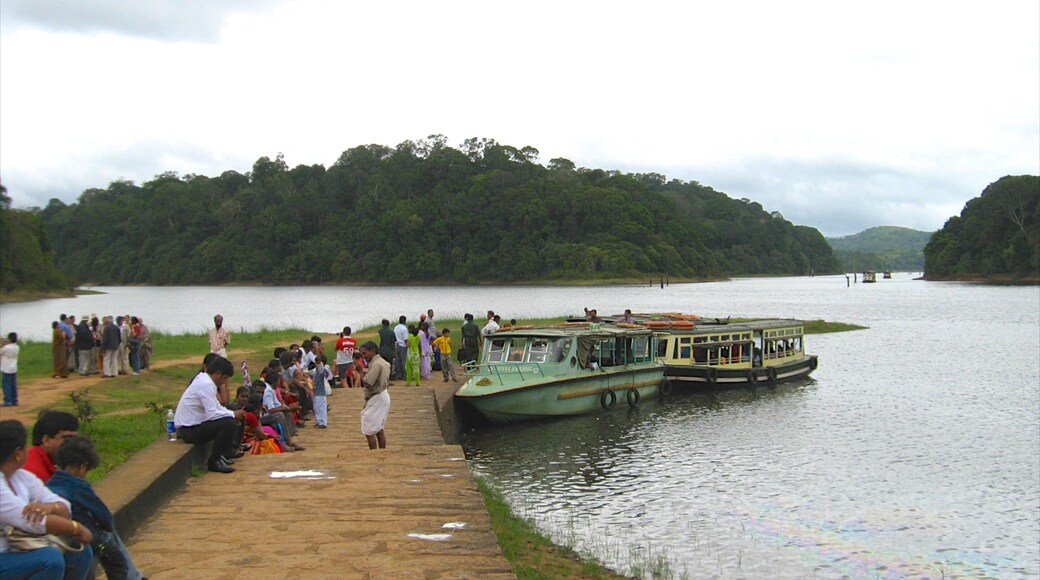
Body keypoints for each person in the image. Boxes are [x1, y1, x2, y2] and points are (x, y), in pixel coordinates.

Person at [0, 420, 95, 580]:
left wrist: (51, 507)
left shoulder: (22, 477)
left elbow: (64, 506)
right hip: (5, 553)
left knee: (80, 551)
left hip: (18, 548)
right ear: (17, 453)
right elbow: (30, 521)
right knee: (49, 560)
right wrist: (76, 528)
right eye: (25, 447)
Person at [46, 435, 144, 580]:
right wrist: (106, 529)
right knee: (116, 561)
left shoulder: (50, 484)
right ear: (82, 467)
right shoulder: (78, 486)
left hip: (60, 535)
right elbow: (103, 515)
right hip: (89, 535)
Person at [173, 356, 243, 473]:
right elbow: (212, 414)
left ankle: (223, 455)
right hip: (189, 430)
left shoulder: (205, 380)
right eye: (224, 378)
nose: (224, 382)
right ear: (218, 374)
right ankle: (214, 461)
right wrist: (232, 414)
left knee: (231, 417)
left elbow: (217, 407)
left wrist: (232, 413)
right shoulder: (206, 385)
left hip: (195, 424)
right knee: (229, 424)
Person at [22, 410, 80, 483]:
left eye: (75, 439)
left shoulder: (41, 461)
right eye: (67, 438)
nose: (73, 443)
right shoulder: (35, 473)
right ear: (46, 441)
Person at [358, 341, 390, 449]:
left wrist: (360, 372)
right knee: (379, 428)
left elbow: (368, 383)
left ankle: (373, 453)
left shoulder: (376, 364)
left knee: (369, 430)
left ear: (372, 351)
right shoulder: (383, 362)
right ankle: (382, 452)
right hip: (383, 394)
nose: (363, 357)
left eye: (365, 353)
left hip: (377, 396)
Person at [311, 355, 331, 429]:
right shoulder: (316, 371)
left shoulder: (321, 370)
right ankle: (319, 421)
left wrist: (319, 361)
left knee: (321, 408)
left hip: (320, 393)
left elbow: (320, 366)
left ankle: (322, 422)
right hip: (316, 393)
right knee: (317, 408)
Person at [2, 332, 20, 407]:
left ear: (9, 339)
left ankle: (8, 401)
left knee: (6, 384)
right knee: (13, 384)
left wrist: (2, 344)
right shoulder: (17, 347)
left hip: (6, 367)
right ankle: (14, 400)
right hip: (13, 367)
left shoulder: (6, 348)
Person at [393, 315, 408, 381]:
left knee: (397, 361)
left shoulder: (396, 327)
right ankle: (404, 375)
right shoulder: (404, 329)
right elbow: (405, 339)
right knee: (404, 361)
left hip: (397, 344)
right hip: (403, 345)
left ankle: (398, 375)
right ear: (405, 321)